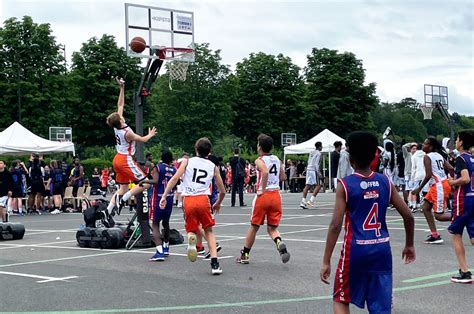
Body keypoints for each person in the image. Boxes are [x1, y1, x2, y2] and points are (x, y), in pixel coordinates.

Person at [320, 131, 415, 314]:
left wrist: (326, 261)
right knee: (380, 306)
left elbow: (335, 225)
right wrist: (409, 244)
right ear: (374, 156)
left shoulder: (345, 185)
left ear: (350, 158)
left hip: (355, 250)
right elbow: (409, 216)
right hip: (381, 250)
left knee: (341, 298)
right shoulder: (385, 182)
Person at [159, 138, 225, 275]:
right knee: (209, 232)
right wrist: (218, 202)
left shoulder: (187, 162)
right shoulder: (213, 166)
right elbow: (222, 190)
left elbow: (175, 178)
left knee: (191, 228)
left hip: (189, 199)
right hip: (203, 199)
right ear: (209, 151)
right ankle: (215, 264)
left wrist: (164, 195)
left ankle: (191, 240)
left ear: (196, 149)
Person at [105, 77, 156, 216]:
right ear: (120, 120)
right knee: (146, 183)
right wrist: (150, 134)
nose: (121, 114)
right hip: (124, 159)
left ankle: (108, 211)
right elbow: (142, 140)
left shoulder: (117, 126)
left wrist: (122, 88)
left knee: (123, 187)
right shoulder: (128, 133)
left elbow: (120, 104)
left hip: (117, 159)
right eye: (120, 116)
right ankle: (125, 199)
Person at [238, 134, 289, 265]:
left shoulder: (259, 160)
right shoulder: (277, 159)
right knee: (272, 228)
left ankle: (245, 254)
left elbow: (265, 172)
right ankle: (279, 242)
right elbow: (283, 176)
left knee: (254, 227)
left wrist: (262, 188)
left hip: (264, 196)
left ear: (259, 147)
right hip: (276, 195)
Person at [411, 136, 454, 244]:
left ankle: (464, 216)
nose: (423, 145)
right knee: (425, 208)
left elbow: (429, 174)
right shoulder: (438, 155)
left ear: (430, 147)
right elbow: (451, 168)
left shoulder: (427, 157)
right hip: (441, 184)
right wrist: (451, 182)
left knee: (439, 215)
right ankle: (435, 235)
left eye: (425, 144)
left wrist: (419, 188)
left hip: (438, 186)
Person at [447, 130, 474, 283]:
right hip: (473, 197)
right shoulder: (472, 158)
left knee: (456, 233)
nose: (456, 141)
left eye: (457, 139)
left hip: (463, 200)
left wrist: (452, 182)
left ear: (461, 142)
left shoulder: (461, 159)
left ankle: (464, 272)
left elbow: (464, 179)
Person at [142, 149, 177, 262]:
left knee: (155, 224)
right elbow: (177, 182)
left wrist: (145, 181)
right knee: (166, 223)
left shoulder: (159, 167)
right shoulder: (173, 169)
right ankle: (166, 247)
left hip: (158, 198)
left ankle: (159, 251)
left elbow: (156, 181)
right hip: (170, 197)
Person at [300, 141, 322, 209]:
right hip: (313, 170)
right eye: (321, 146)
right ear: (320, 146)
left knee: (307, 185)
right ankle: (311, 200)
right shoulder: (319, 153)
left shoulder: (311, 152)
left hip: (309, 169)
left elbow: (308, 161)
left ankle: (303, 201)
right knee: (319, 185)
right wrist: (318, 172)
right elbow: (316, 164)